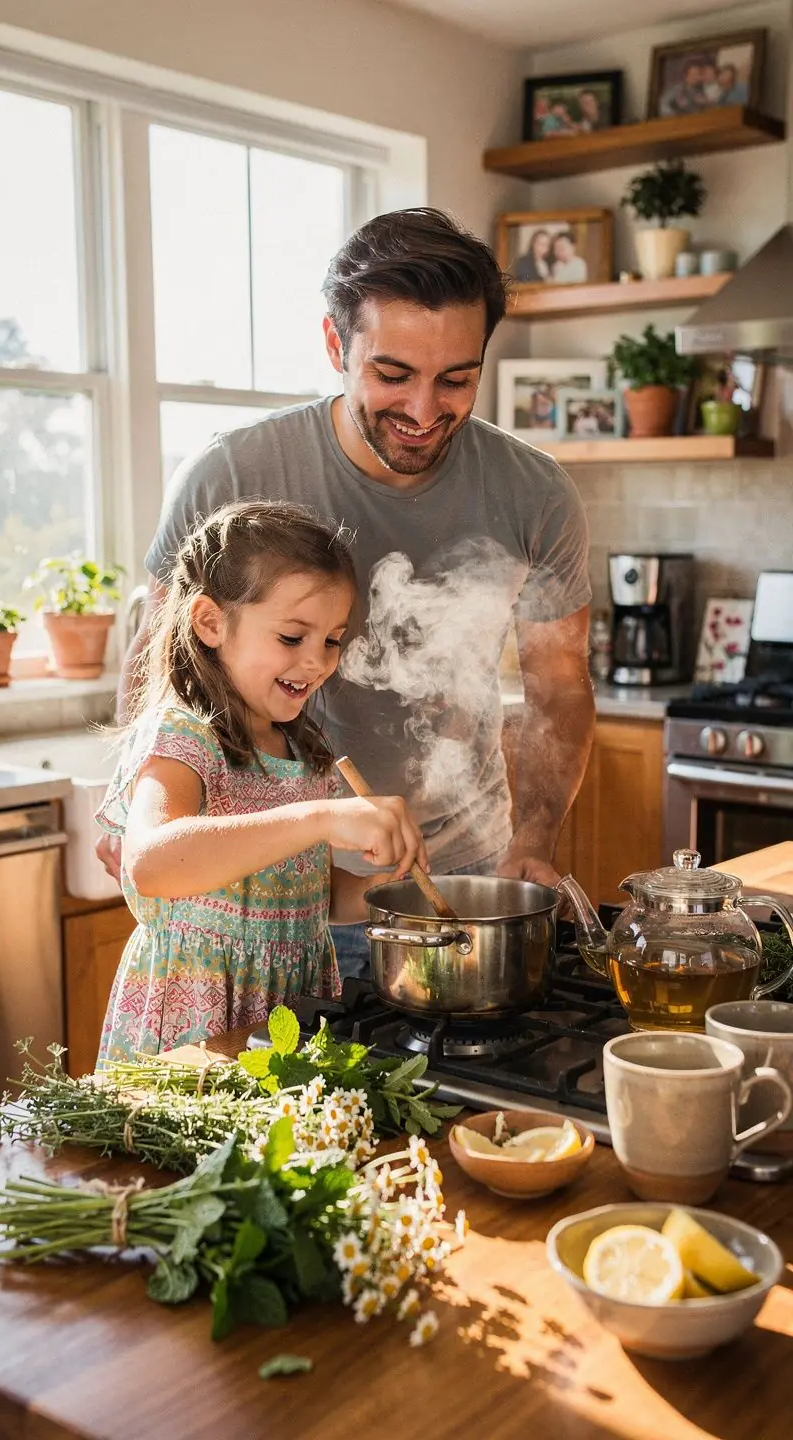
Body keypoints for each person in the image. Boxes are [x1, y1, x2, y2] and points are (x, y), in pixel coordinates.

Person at [101, 207, 595, 982]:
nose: (425, 410)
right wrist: (129, 798)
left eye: (456, 378)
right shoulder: (231, 475)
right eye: (392, 374)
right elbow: (157, 658)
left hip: (454, 880)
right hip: (253, 904)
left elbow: (560, 692)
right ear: (336, 345)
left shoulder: (535, 494)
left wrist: (534, 842)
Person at [94, 499, 428, 1063]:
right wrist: (323, 818)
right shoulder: (182, 738)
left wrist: (388, 897)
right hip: (191, 1036)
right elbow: (148, 863)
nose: (317, 662)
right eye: (293, 638)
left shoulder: (301, 750)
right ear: (211, 623)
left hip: (287, 1016)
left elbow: (307, 894)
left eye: (332, 639)